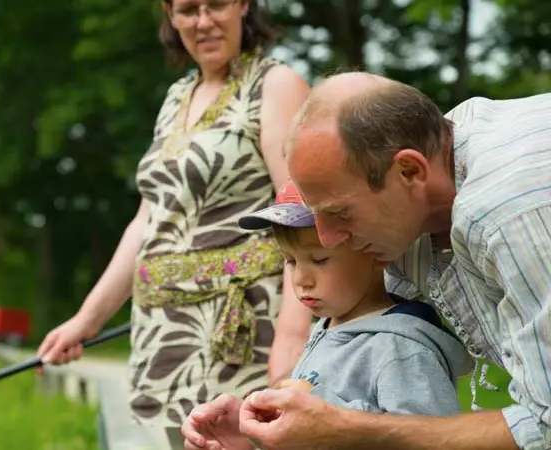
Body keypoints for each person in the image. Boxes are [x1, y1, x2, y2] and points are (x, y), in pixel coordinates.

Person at [189, 72, 551, 450]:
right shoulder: (408, 215)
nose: (328, 238)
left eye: (340, 212)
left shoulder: (511, 210)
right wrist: (258, 423)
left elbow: (544, 426)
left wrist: (346, 429)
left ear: (409, 171)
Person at [36, 0, 313, 447]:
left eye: (217, 4)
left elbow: (300, 213)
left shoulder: (275, 85)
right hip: (162, 336)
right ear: (170, 14)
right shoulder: (175, 97)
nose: (203, 21)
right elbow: (148, 220)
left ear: (243, 4)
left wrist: (292, 339)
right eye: (188, 9)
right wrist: (86, 321)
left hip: (241, 336)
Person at [181, 181, 472, 450]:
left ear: (375, 251)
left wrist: (325, 412)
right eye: (290, 260)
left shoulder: (400, 348)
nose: (301, 279)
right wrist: (250, 433)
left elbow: (430, 439)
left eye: (319, 259)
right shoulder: (329, 327)